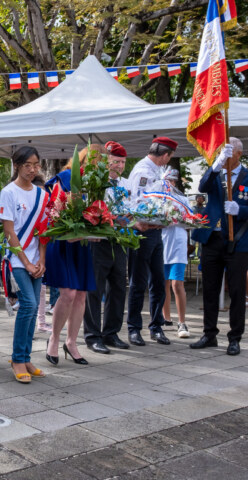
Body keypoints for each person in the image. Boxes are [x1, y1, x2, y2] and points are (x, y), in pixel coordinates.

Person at [190, 138, 248, 355]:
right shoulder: (215, 173)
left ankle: (235, 337)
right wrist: (216, 164)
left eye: (228, 152)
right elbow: (202, 186)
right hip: (211, 239)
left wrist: (240, 210)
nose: (224, 156)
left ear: (239, 154)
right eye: (221, 152)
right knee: (210, 289)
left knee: (236, 290)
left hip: (237, 241)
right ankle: (209, 334)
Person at [43, 146, 101, 366]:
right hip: (62, 242)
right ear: (85, 160)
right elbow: (52, 212)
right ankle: (54, 339)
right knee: (67, 293)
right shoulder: (64, 178)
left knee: (81, 295)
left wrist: (95, 231)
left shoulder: (96, 184)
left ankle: (72, 342)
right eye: (97, 162)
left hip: (81, 245)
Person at [0, 146, 48, 383]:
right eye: (27, 165)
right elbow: (9, 231)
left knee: (35, 305)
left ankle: (26, 357)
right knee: (28, 304)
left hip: (36, 260)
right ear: (17, 165)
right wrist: (27, 262)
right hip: (17, 258)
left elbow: (43, 233)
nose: (32, 169)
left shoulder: (42, 195)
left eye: (36, 164)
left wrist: (41, 261)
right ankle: (18, 358)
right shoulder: (8, 193)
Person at [125, 137, 178, 347]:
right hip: (142, 232)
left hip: (156, 233)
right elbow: (136, 202)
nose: (168, 161)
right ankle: (134, 328)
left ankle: (156, 326)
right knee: (138, 283)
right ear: (165, 155)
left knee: (158, 281)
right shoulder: (142, 170)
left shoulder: (157, 170)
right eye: (169, 157)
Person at [83, 140, 131, 354]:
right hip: (99, 241)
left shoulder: (126, 183)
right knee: (94, 289)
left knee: (119, 287)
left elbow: (132, 207)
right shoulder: (94, 182)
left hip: (120, 240)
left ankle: (111, 332)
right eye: (115, 161)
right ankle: (92, 335)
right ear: (105, 161)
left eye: (122, 162)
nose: (119, 166)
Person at [161, 171, 191, 338]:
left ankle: (182, 322)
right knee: (163, 283)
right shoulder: (156, 199)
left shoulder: (183, 200)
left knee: (176, 284)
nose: (169, 183)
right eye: (166, 180)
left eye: (171, 180)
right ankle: (166, 318)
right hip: (162, 244)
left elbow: (191, 219)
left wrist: (179, 217)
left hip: (178, 245)